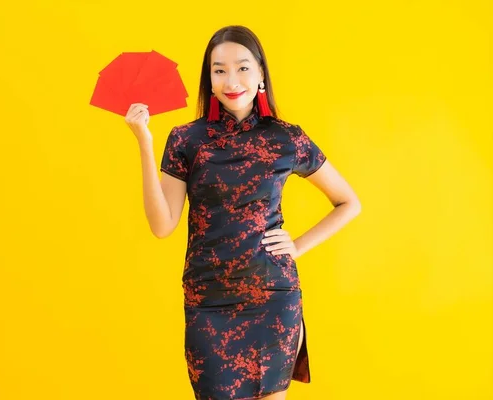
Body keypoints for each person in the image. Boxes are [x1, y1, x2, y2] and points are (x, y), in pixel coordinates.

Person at [125, 25, 361, 400]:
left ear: (261, 73)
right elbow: (161, 225)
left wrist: (297, 246)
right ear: (209, 79)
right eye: (219, 70)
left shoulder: (287, 138)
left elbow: (349, 202)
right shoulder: (186, 140)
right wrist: (144, 142)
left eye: (243, 68)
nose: (231, 80)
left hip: (272, 298)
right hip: (208, 302)